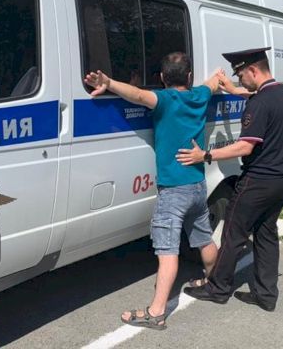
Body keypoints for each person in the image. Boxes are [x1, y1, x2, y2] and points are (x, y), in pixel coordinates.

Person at [84, 52, 221, 330]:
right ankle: (214, 282)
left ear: (161, 78)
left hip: (173, 190)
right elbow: (212, 84)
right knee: (204, 239)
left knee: (167, 251)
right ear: (189, 77)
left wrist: (109, 82)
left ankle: (156, 312)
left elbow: (136, 95)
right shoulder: (199, 95)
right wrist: (218, 77)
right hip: (197, 184)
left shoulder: (166, 99)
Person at [177, 47, 283, 312]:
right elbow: (255, 97)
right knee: (266, 234)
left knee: (234, 232)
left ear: (253, 70)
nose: (239, 79)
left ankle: (217, 288)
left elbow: (245, 147)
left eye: (241, 75)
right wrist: (233, 90)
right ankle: (266, 294)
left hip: (259, 181)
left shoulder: (259, 103)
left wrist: (205, 155)